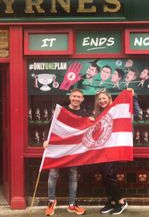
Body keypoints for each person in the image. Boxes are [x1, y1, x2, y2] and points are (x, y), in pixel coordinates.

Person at [92, 88, 139, 215]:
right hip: (102, 150)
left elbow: (135, 112)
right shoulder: (97, 113)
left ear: (109, 98)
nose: (102, 101)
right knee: (105, 175)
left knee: (109, 174)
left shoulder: (118, 109)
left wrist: (133, 97)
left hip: (117, 147)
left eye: (104, 98)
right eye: (99, 99)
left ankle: (121, 201)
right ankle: (112, 202)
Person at [43, 88, 88, 216]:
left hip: (73, 149)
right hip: (58, 147)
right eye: (74, 96)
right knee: (53, 174)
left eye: (79, 97)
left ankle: (72, 205)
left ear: (82, 99)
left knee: (73, 176)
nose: (76, 99)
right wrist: (46, 139)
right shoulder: (61, 110)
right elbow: (50, 126)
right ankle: (51, 202)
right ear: (70, 97)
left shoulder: (84, 114)